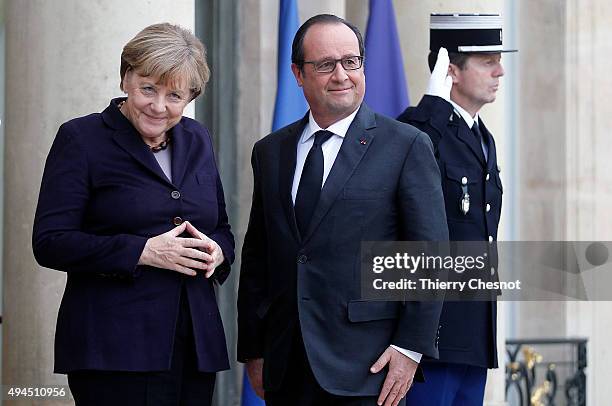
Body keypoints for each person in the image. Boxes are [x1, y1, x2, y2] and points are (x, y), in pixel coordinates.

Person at [237, 14, 448, 406]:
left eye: (351, 62)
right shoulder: (270, 152)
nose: (341, 75)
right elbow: (258, 258)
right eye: (325, 65)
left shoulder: (405, 146)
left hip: (369, 370)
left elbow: (429, 255)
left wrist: (409, 349)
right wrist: (253, 349)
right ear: (298, 74)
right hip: (286, 367)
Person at [32, 23, 234, 406]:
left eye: (174, 95)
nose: (159, 106)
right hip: (113, 350)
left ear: (191, 97)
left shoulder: (199, 139)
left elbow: (221, 228)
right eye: (148, 89)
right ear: (126, 76)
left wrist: (219, 252)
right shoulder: (81, 139)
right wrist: (142, 252)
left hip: (194, 348)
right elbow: (50, 242)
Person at [397, 13, 516, 406]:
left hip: (473, 334)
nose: (499, 71)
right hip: (433, 337)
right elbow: (401, 153)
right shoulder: (424, 130)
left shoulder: (483, 138)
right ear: (452, 70)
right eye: (486, 61)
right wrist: (432, 104)